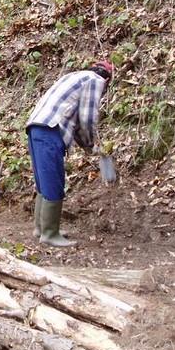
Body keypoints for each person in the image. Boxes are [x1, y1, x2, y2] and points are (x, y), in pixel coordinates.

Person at [26, 60, 114, 247]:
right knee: (54, 180)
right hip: (50, 130)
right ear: (107, 79)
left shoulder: (74, 76)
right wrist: (90, 144)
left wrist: (86, 145)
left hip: (36, 125)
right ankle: (49, 234)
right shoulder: (95, 80)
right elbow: (87, 118)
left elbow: (74, 117)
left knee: (44, 179)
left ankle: (41, 227)